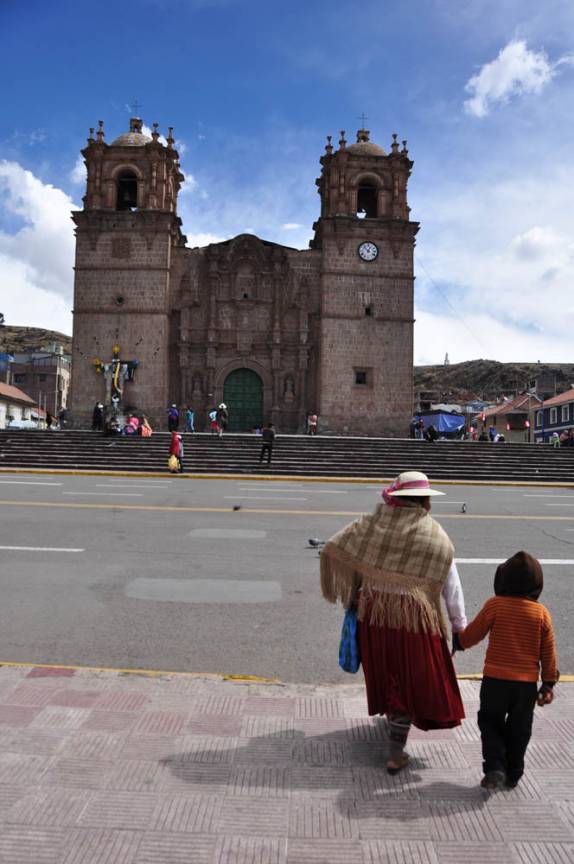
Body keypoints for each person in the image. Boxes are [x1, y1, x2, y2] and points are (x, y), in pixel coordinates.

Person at [320, 471, 466, 774]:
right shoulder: (435, 535)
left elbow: (335, 547)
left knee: (388, 674)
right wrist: (458, 626)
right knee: (409, 681)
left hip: (374, 619)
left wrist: (358, 591)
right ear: (425, 502)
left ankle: (394, 730)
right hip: (414, 624)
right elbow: (452, 586)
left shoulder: (373, 526)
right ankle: (395, 751)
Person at [453, 551, 559, 791]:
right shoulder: (541, 614)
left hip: (495, 682)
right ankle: (513, 773)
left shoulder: (495, 605)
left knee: (490, 722)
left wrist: (459, 642)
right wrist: (548, 683)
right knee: (520, 729)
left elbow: (473, 633)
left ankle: (495, 767)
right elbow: (548, 652)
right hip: (525, 687)